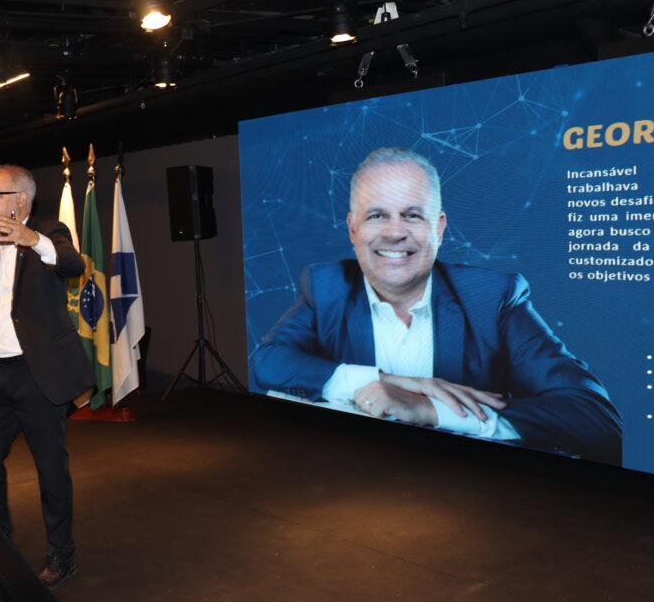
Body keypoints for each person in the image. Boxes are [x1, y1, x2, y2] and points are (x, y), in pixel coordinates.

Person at [251, 148, 622, 464]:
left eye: (412, 215)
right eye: (377, 215)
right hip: (353, 482)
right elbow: (268, 362)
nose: (395, 232)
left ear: (440, 228)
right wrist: (381, 380)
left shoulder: (491, 299)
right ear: (353, 229)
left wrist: (431, 410)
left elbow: (595, 420)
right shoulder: (326, 286)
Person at [0, 164, 94, 589]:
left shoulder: (50, 232)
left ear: (20, 197)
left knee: (51, 469)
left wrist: (31, 239)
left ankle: (61, 555)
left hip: (37, 376)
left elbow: (72, 264)